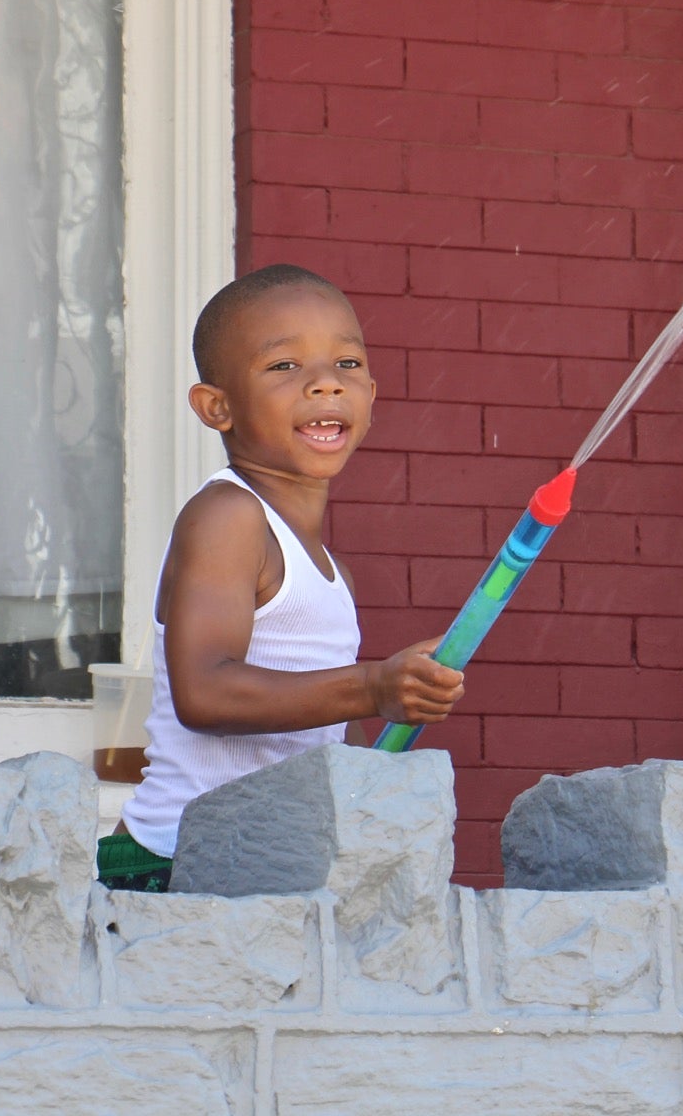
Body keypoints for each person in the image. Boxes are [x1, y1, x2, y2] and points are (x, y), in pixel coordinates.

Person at [99, 265, 463, 891]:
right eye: (283, 366)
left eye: (347, 364)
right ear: (218, 407)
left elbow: (321, 726)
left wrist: (389, 719)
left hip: (266, 860)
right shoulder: (228, 516)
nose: (325, 384)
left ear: (372, 394)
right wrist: (374, 685)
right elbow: (204, 695)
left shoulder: (331, 572)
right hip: (173, 864)